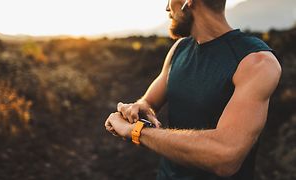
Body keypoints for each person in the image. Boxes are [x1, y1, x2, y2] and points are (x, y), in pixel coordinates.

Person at [104, 0, 282, 179]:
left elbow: (225, 157)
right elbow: (148, 101)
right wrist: (139, 107)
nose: (167, 7)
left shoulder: (256, 62)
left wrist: (137, 131)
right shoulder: (180, 48)